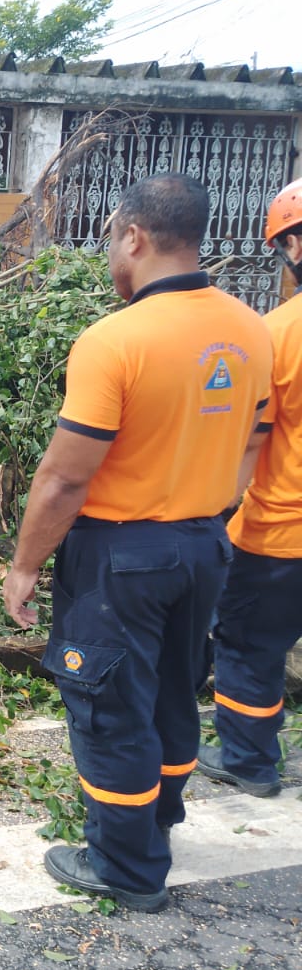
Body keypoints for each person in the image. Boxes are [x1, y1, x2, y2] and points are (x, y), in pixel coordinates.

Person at [3, 174, 272, 911]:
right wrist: (206, 509)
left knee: (111, 708)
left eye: (110, 240)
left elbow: (63, 479)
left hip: (122, 560)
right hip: (206, 547)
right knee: (173, 700)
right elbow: (253, 443)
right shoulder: (251, 328)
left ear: (134, 236)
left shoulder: (115, 340)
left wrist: (25, 566)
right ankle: (157, 825)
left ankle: (125, 868)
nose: (110, 257)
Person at [197, 178, 302, 799]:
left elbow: (249, 437)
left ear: (293, 241)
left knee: (246, 644)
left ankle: (248, 760)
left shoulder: (278, 334)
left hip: (281, 531)